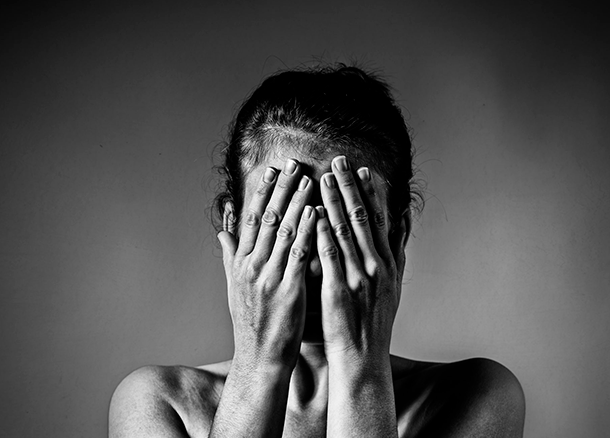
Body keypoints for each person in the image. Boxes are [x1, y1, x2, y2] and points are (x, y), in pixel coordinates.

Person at [109, 64, 525, 437]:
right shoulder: (158, 403)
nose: (311, 265)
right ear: (233, 226)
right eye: (283, 226)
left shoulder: (476, 397)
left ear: (396, 236)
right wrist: (259, 366)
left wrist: (360, 366)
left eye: (343, 228)